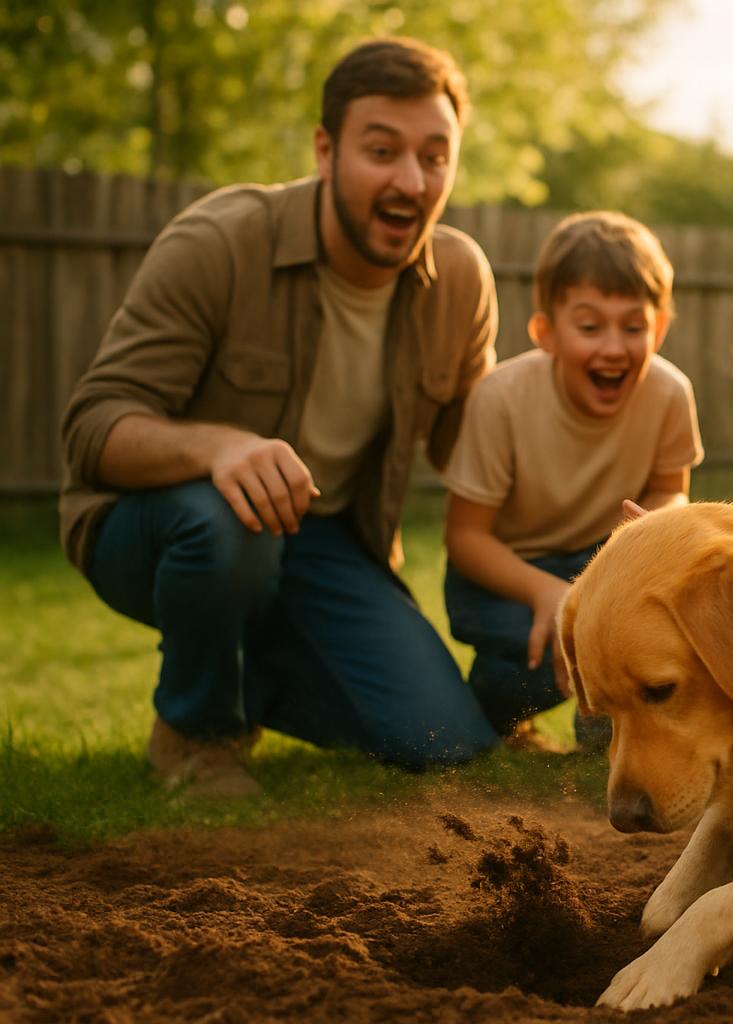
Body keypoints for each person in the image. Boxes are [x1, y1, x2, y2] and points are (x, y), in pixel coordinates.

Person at [58, 37, 502, 798]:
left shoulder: (459, 279)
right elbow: (93, 428)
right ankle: (200, 735)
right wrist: (219, 447)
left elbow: (480, 453)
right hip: (165, 528)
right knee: (228, 522)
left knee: (442, 741)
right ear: (325, 151)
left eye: (435, 156)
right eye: (382, 150)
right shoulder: (221, 242)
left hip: (322, 539)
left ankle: (239, 667)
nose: (411, 179)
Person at [440, 211, 702, 748]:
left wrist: (654, 530)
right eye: (589, 327)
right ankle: (501, 704)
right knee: (531, 655)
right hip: (506, 576)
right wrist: (552, 596)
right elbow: (465, 538)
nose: (612, 347)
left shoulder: (671, 394)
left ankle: (605, 723)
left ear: (659, 328)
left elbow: (672, 489)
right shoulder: (502, 399)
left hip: (603, 560)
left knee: (664, 626)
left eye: (633, 327)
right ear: (547, 334)